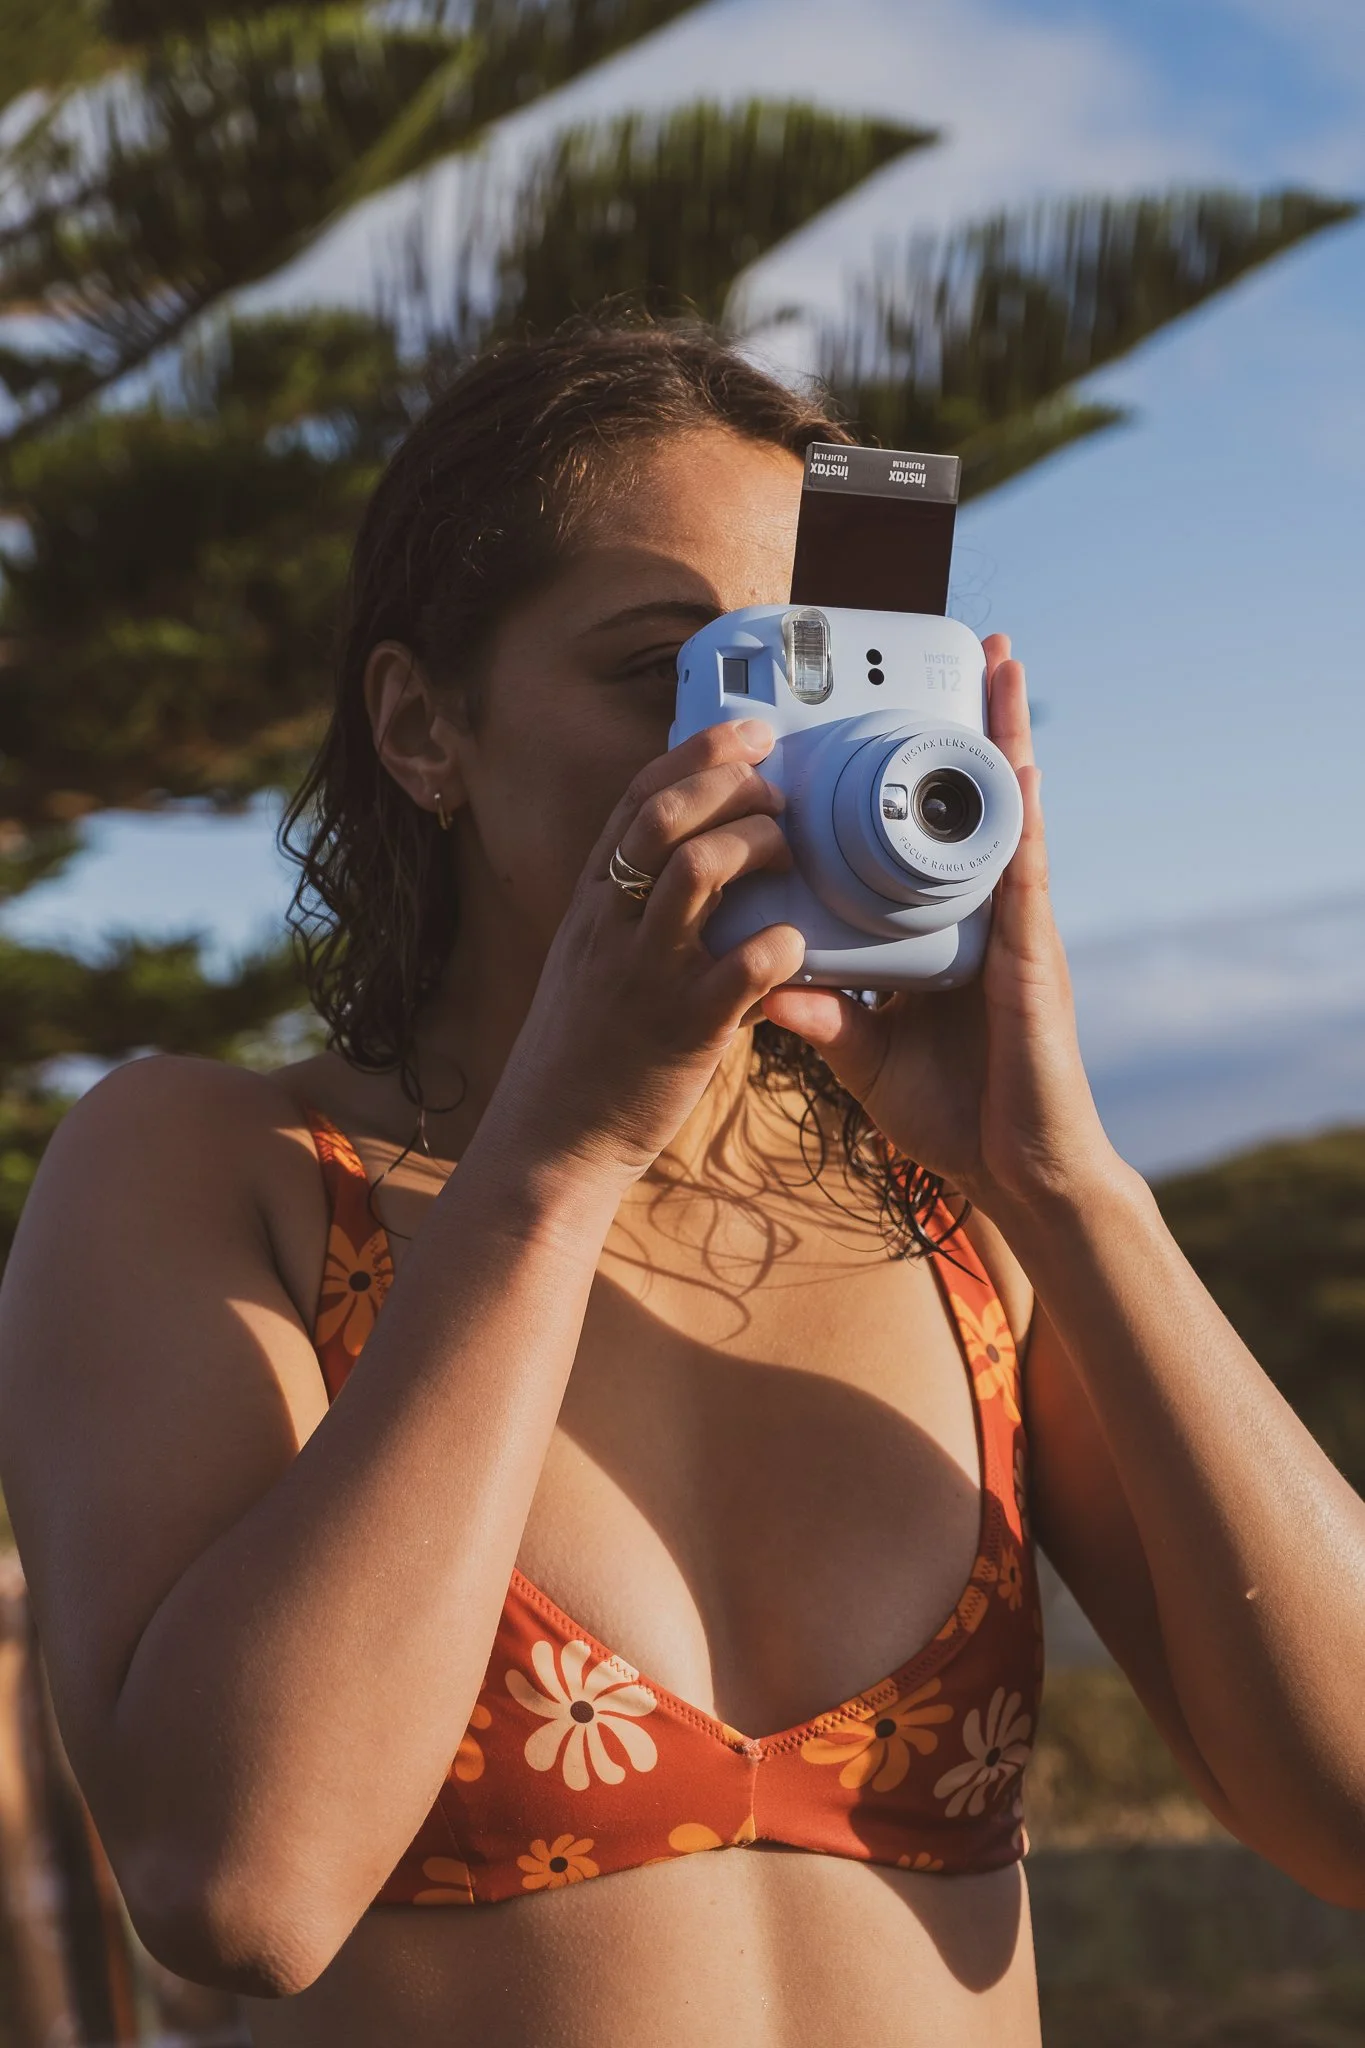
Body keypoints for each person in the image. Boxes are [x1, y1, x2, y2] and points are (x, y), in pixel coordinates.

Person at [1, 321, 1362, 2048]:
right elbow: (239, 1889)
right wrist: (559, 1163)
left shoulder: (964, 1218)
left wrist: (1072, 1184)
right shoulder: (222, 1170)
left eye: (819, 680)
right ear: (427, 728)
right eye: (671, 671)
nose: (761, 756)